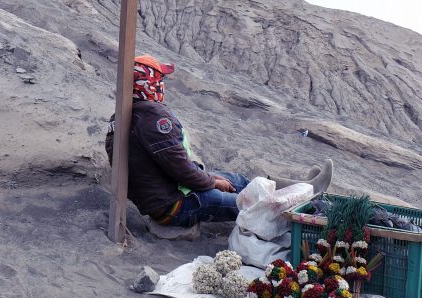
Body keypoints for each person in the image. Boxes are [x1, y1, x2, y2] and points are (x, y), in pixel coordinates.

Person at [105, 54, 332, 230]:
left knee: (236, 180)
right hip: (173, 206)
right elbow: (181, 168)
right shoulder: (153, 118)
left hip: (166, 194)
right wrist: (211, 183)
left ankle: (305, 187)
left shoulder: (126, 114)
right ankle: (305, 203)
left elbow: (171, 165)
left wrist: (211, 178)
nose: (163, 85)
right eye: (160, 79)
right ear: (149, 82)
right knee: (249, 202)